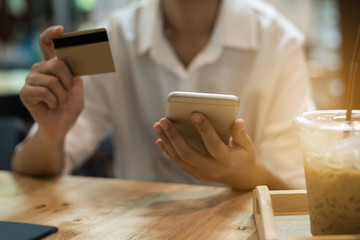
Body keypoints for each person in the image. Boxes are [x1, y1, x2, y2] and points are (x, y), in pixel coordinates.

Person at [12, 0, 314, 190]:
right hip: (137, 227)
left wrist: (243, 175)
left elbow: (295, 189)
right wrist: (51, 134)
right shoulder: (113, 37)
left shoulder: (278, 41)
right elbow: (28, 170)